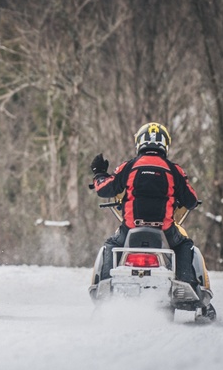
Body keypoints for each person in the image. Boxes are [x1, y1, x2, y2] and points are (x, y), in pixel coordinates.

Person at [90, 122, 210, 304]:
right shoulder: (173, 169)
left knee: (110, 245)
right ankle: (187, 284)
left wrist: (99, 173)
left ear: (139, 142)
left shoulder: (128, 167)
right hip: (166, 231)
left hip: (131, 228)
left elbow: (104, 189)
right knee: (185, 245)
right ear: (165, 144)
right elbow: (191, 200)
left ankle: (106, 287)